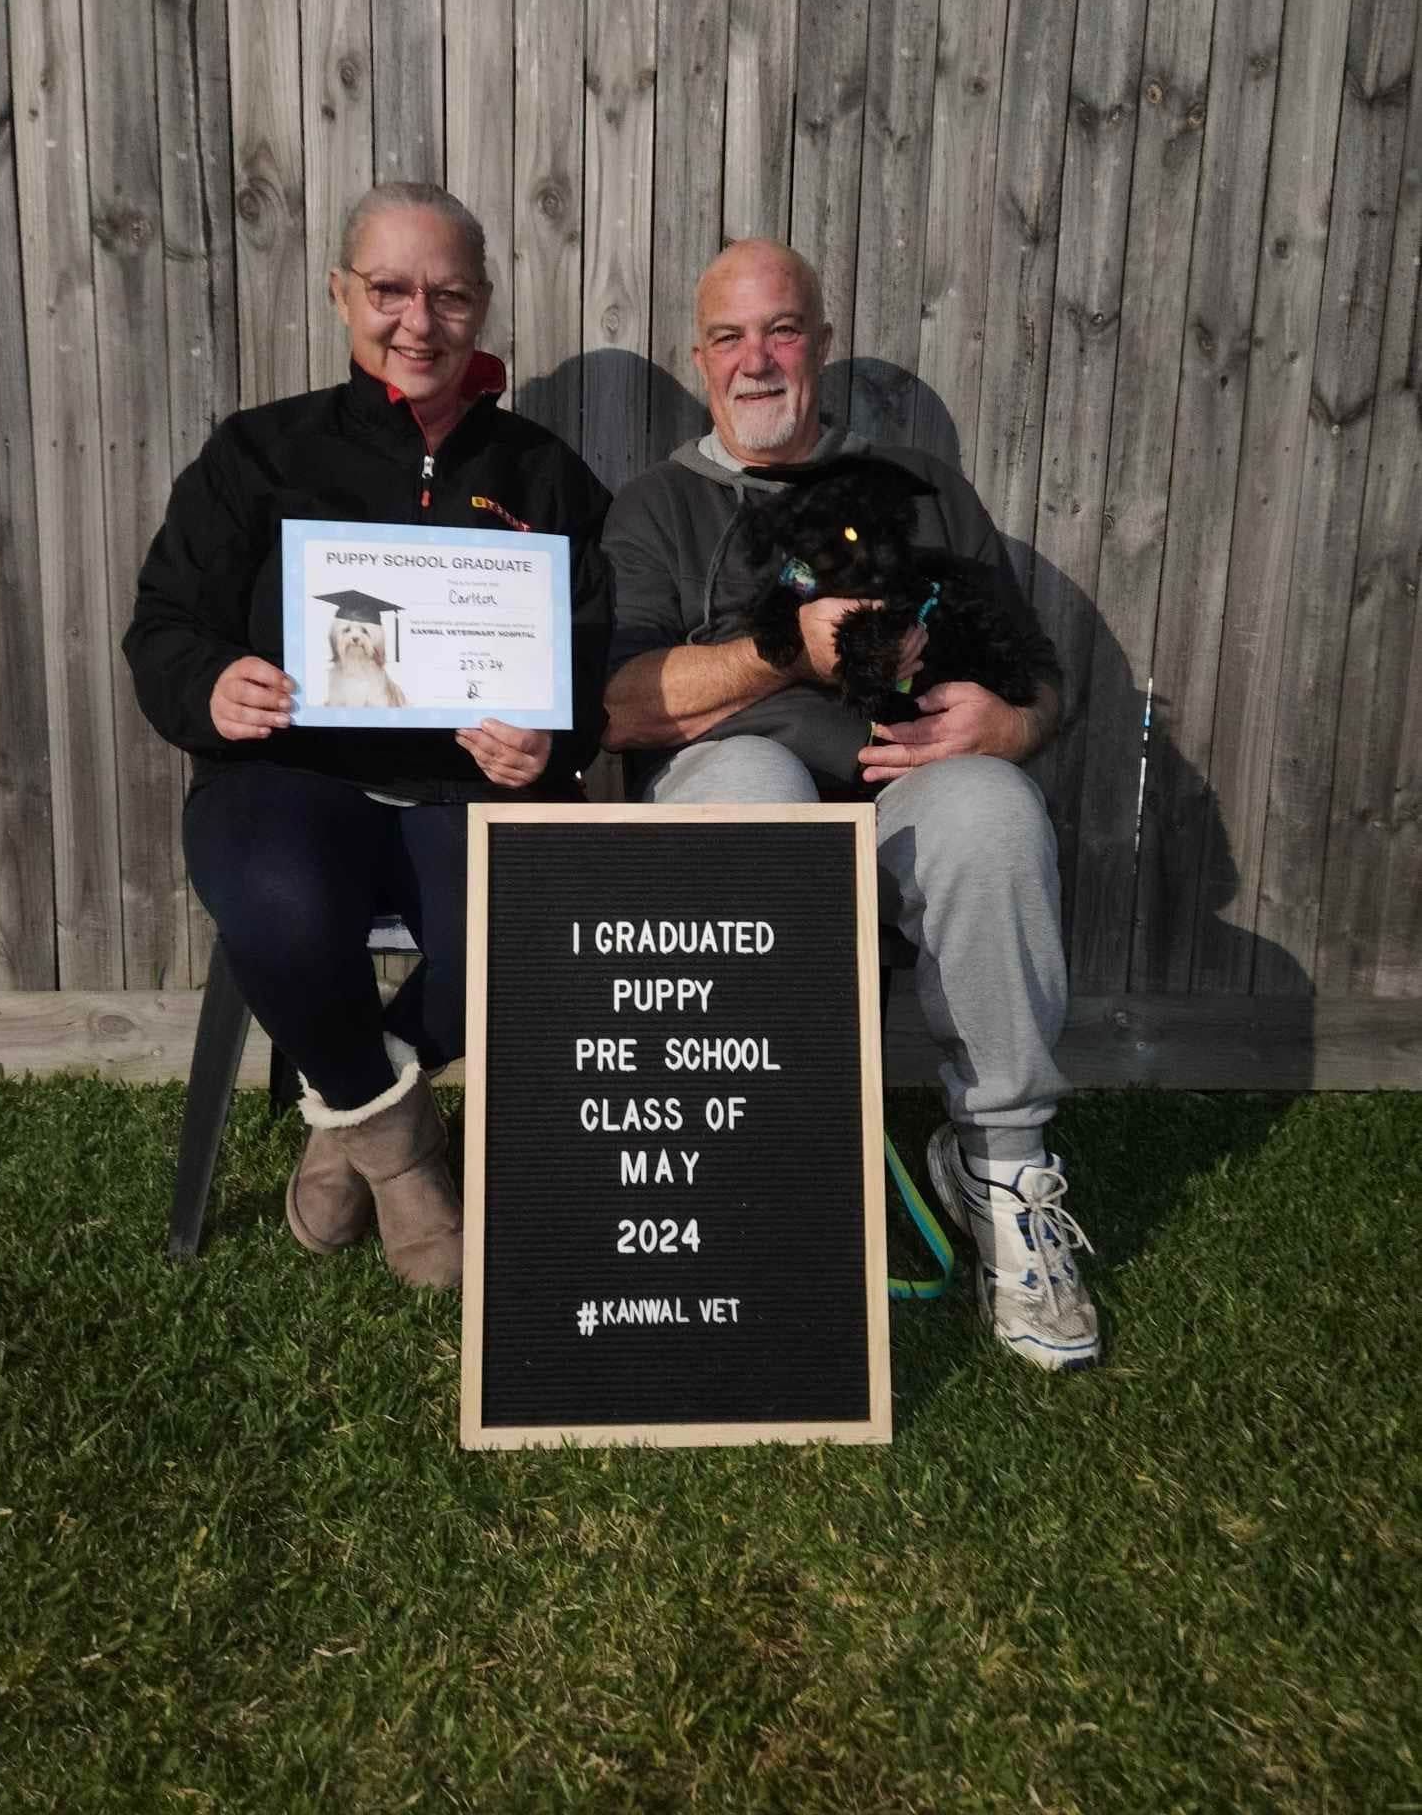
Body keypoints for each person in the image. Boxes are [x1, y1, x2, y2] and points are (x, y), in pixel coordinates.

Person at [601, 238, 1098, 1370]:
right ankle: (753, 1182)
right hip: (731, 783)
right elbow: (619, 706)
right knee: (758, 782)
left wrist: (1007, 725)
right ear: (700, 357)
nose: (757, 358)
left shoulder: (918, 489)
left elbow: (1043, 682)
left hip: (904, 792)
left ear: (822, 346)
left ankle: (1003, 1169)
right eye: (730, 336)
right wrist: (784, 653)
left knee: (994, 804)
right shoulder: (655, 507)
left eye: (782, 330)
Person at [125, 182, 611, 1289]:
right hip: (288, 777)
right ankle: (401, 1165)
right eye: (388, 289)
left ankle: (345, 1104)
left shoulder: (546, 475)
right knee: (282, 909)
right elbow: (164, 623)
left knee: (523, 937)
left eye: (447, 295)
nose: (416, 322)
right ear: (341, 292)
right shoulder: (259, 454)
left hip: (471, 790)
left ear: (483, 304)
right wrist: (212, 686)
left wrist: (551, 736)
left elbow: (593, 659)